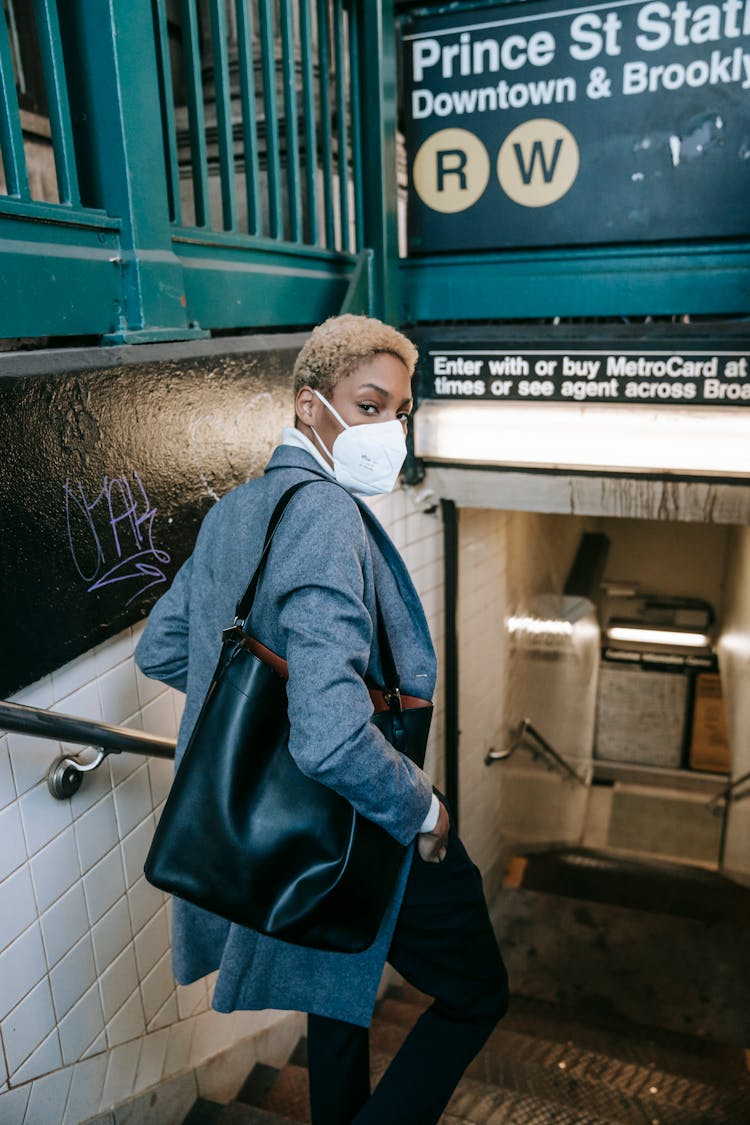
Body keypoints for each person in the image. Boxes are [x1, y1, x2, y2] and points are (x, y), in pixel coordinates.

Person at [135, 314, 508, 1124]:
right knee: (479, 993)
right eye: (370, 405)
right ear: (311, 406)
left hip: (298, 835)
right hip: (365, 819)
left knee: (335, 987)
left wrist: (268, 709)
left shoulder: (239, 508)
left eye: (401, 411)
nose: (391, 430)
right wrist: (426, 809)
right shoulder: (325, 516)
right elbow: (332, 736)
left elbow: (167, 649)